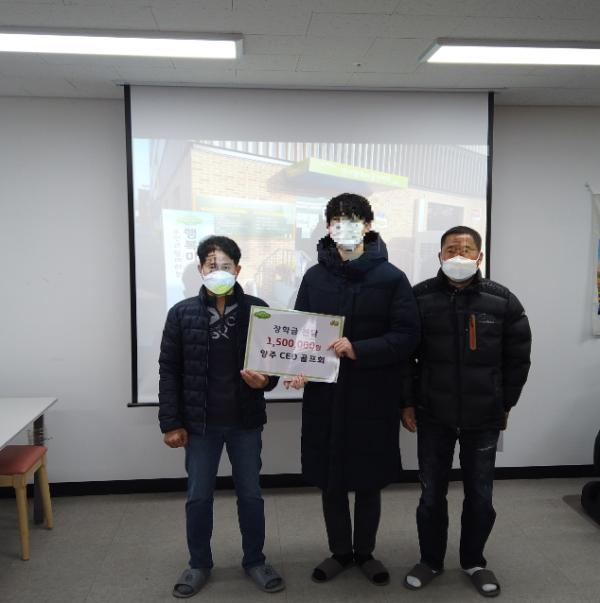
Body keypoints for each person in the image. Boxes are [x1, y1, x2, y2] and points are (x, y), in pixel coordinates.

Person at [285, 193, 420, 586]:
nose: (344, 225)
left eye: (353, 218)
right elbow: (302, 331)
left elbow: (407, 335)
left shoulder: (391, 277)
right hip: (325, 395)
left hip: (371, 394)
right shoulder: (315, 277)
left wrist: (359, 349)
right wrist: (298, 367)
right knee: (330, 481)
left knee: (368, 480)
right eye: (337, 219)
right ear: (328, 227)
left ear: (368, 225)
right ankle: (340, 552)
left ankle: (365, 553)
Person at [402, 225, 532, 598]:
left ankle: (474, 561)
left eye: (466, 249)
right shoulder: (419, 298)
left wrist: (506, 402)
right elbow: (404, 358)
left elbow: (517, 357)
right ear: (439, 255)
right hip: (433, 413)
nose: (458, 255)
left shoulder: (502, 300)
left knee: (480, 495)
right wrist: (407, 402)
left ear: (479, 256)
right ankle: (430, 560)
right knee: (431, 495)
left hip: (484, 415)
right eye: (451, 249)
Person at [158, 235, 285, 598]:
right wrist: (171, 422)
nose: (218, 271)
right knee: (198, 497)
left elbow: (272, 364)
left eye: (226, 266)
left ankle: (255, 560)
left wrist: (266, 381)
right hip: (200, 425)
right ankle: (198, 563)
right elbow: (169, 370)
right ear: (200, 269)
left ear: (238, 269)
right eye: (212, 265)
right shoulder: (181, 313)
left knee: (251, 495)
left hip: (245, 421)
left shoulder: (258, 310)